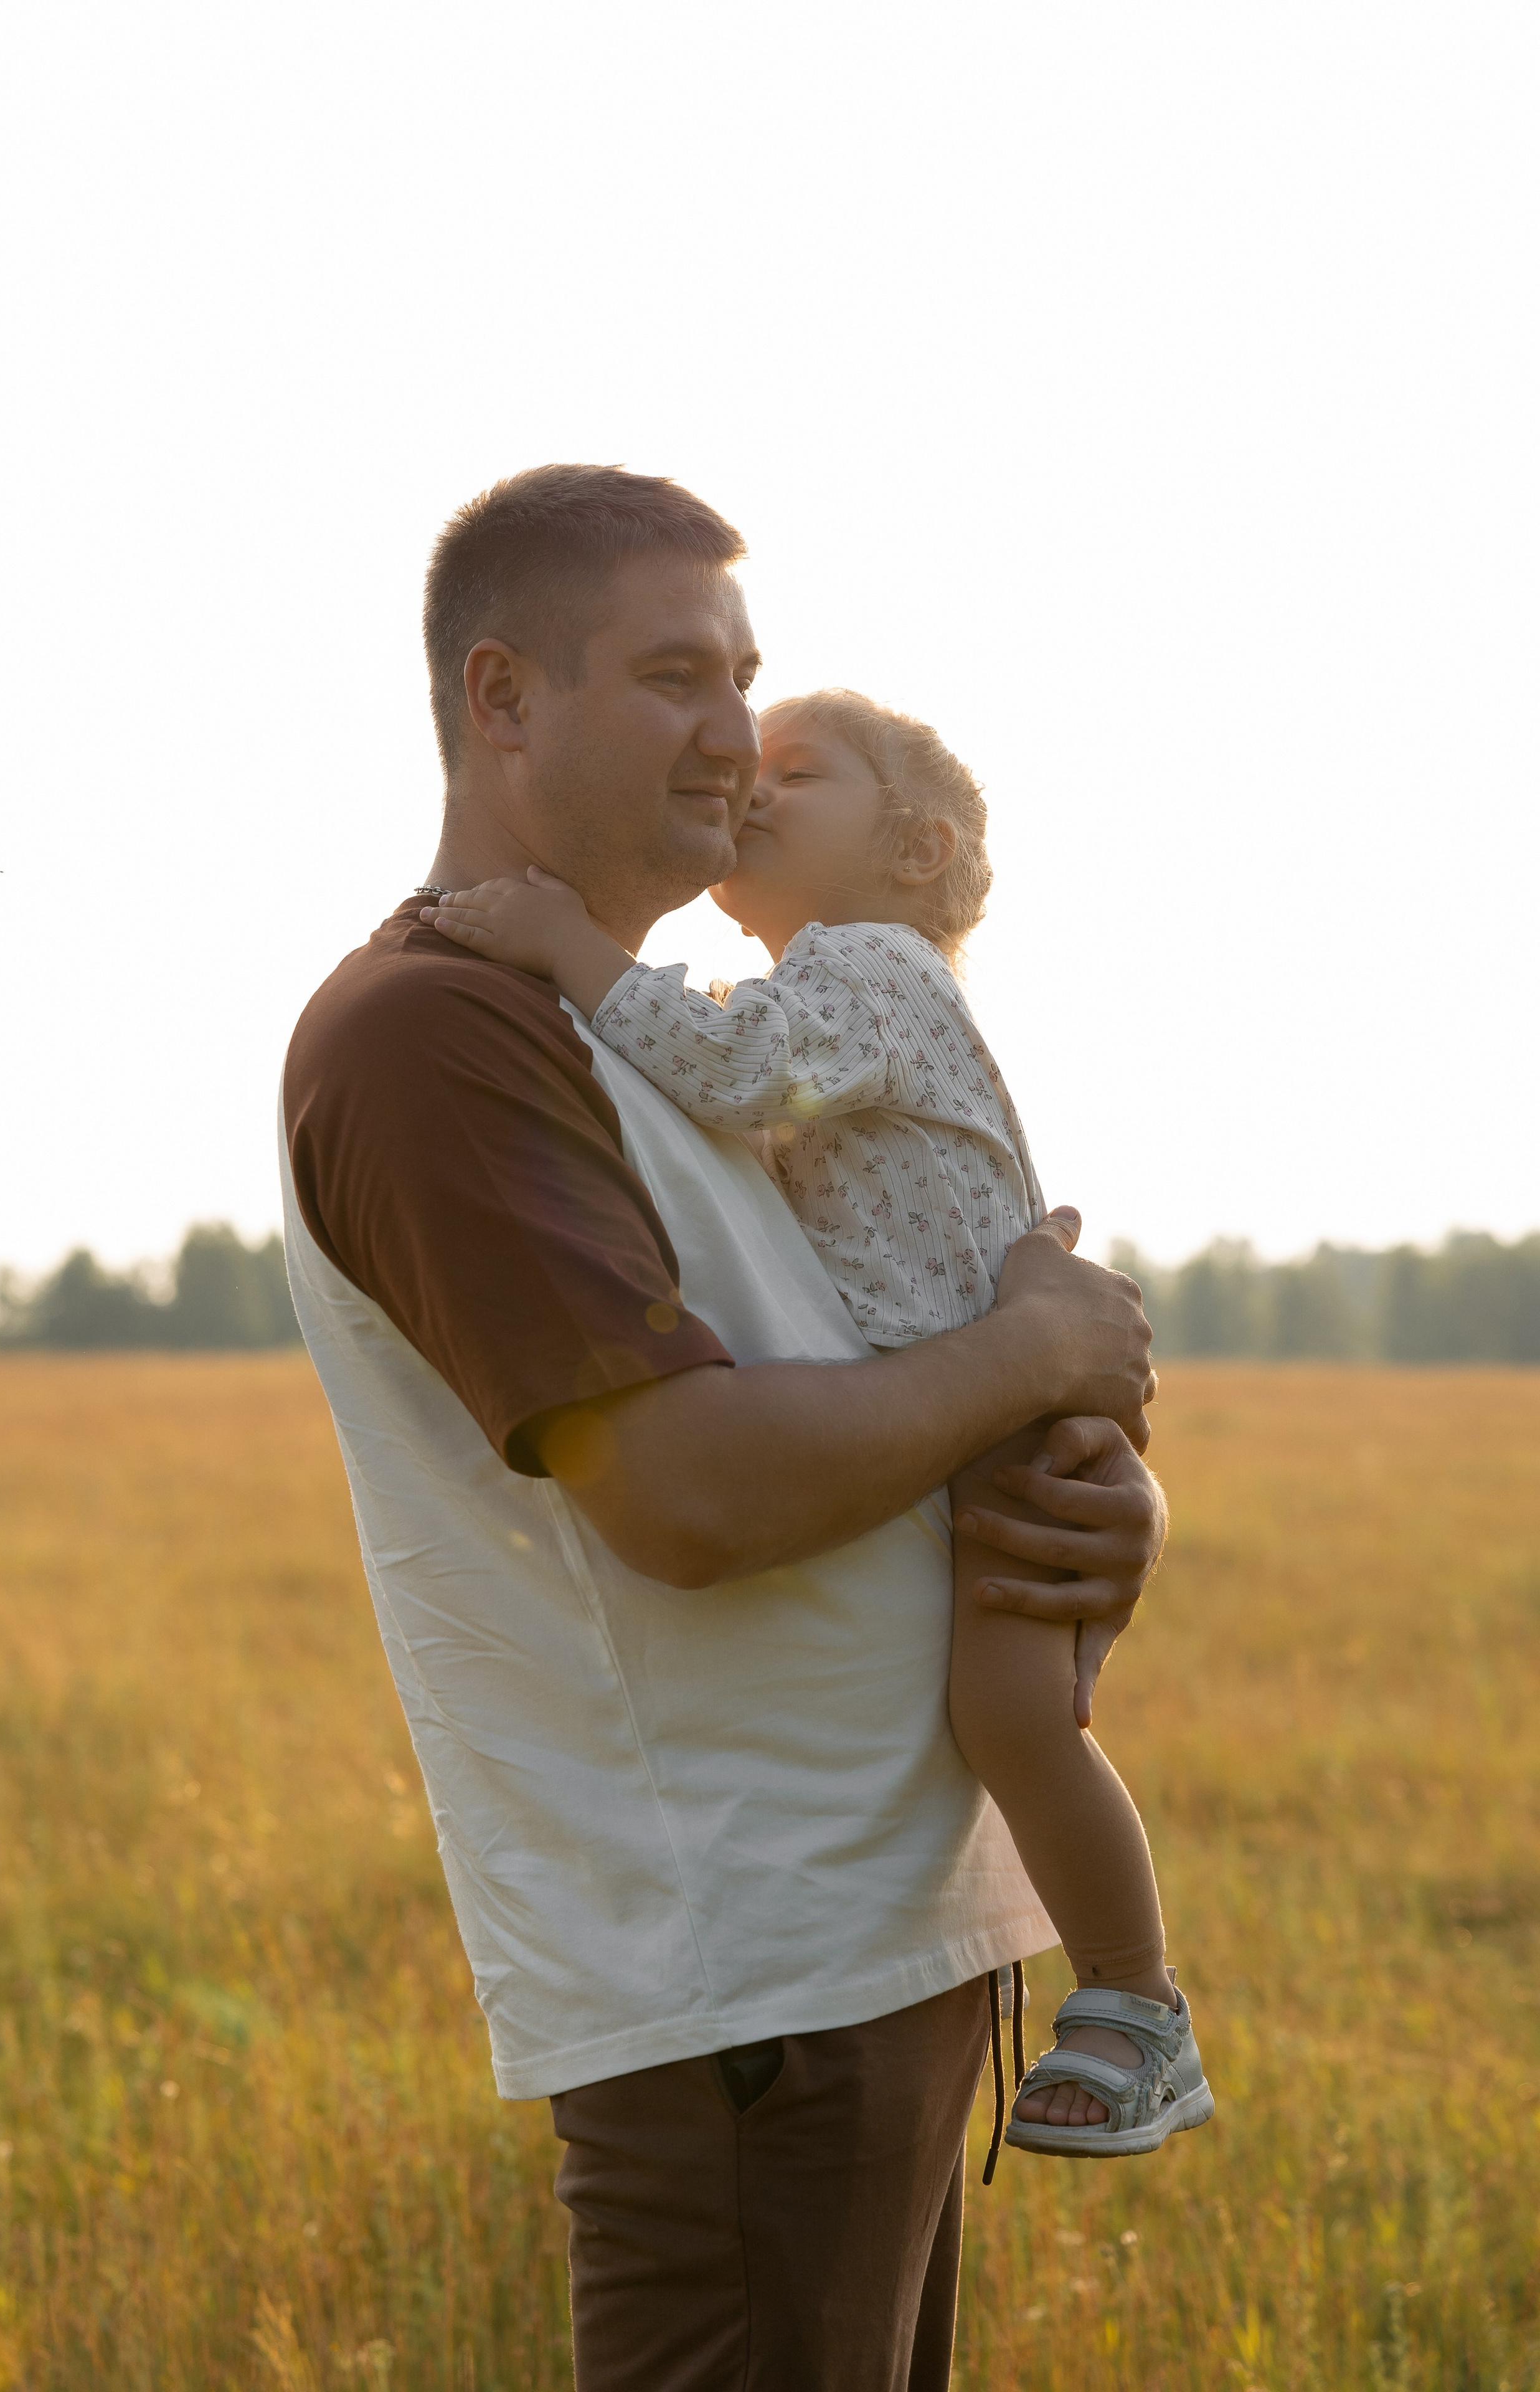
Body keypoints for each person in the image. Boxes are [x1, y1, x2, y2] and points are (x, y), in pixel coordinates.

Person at [282, 463, 1166, 2390]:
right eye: (677, 674)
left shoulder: (666, 1032)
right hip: (745, 1992)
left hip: (876, 1953)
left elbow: (840, 1359)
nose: (732, 735)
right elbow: (685, 1495)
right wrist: (1033, 1359)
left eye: (747, 678)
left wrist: (1087, 1505)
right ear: (502, 698)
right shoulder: (437, 1033)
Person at [423, 689, 1213, 2161]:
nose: (755, 788)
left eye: (800, 772)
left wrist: (563, 946)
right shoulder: (830, 988)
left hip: (993, 1428)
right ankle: (1124, 1998)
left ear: (913, 849)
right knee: (1009, 1712)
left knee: (1018, 1719)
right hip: (977, 1414)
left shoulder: (873, 968)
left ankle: (1133, 2005)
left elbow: (737, 1073)